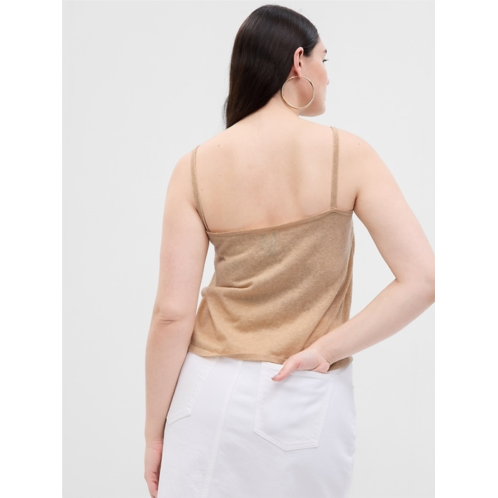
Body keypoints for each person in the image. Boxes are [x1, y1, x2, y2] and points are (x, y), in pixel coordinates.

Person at [144, 5, 435, 498]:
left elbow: (172, 315)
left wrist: (155, 433)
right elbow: (423, 279)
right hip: (300, 394)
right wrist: (326, 351)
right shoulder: (348, 154)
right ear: (299, 61)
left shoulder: (193, 168)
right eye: (325, 58)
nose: (328, 74)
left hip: (203, 394)